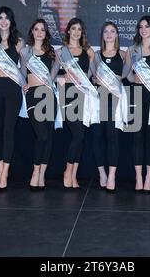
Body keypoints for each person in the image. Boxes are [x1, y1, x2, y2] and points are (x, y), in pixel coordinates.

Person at [0, 6, 26, 191]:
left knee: (9, 130)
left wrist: (25, 82)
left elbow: (23, 67)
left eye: (6, 18)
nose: (3, 21)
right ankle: (1, 169)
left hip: (12, 89)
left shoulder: (19, 42)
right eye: (0, 17)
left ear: (11, 21)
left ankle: (4, 173)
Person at [126, 16, 150, 193]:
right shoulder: (132, 50)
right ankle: (138, 177)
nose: (143, 29)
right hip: (136, 94)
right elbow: (125, 73)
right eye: (141, 26)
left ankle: (149, 176)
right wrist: (133, 79)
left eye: (147, 26)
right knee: (137, 138)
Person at [55, 18, 96, 189]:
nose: (77, 32)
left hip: (84, 96)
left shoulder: (89, 52)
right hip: (68, 95)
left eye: (80, 29)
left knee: (81, 137)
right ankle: (67, 171)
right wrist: (61, 77)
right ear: (68, 31)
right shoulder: (61, 52)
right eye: (74, 28)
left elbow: (93, 75)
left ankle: (73, 174)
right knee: (78, 135)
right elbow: (52, 76)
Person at [20, 19, 61, 190]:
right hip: (33, 96)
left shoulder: (52, 52)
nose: (39, 32)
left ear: (46, 33)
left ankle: (41, 174)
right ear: (32, 32)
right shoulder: (25, 51)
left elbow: (56, 69)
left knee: (48, 137)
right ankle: (35, 173)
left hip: (48, 95)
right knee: (41, 135)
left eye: (42, 30)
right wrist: (25, 82)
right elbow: (22, 71)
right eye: (36, 29)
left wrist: (51, 80)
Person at [91, 21, 130, 192]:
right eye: (106, 31)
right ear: (102, 35)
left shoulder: (123, 54)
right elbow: (91, 77)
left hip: (115, 100)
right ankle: (102, 173)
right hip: (98, 99)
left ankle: (112, 175)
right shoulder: (96, 55)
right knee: (97, 137)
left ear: (116, 35)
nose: (109, 34)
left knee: (112, 137)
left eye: (112, 31)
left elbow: (129, 76)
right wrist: (94, 80)